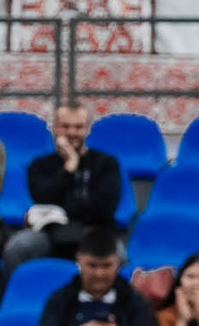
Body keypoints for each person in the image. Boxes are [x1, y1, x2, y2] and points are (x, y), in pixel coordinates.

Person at [3, 103, 121, 276]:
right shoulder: (40, 164)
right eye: (65, 126)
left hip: (93, 232)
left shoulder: (106, 164)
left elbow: (104, 208)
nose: (72, 132)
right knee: (17, 248)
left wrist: (62, 209)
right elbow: (43, 197)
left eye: (78, 127)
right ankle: (14, 300)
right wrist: (69, 167)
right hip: (49, 234)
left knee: (118, 255)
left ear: (87, 129)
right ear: (55, 128)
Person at [33, 228, 156, 326]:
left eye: (106, 266)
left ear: (117, 263)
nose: (99, 274)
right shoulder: (60, 299)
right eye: (92, 265)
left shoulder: (135, 301)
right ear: (79, 261)